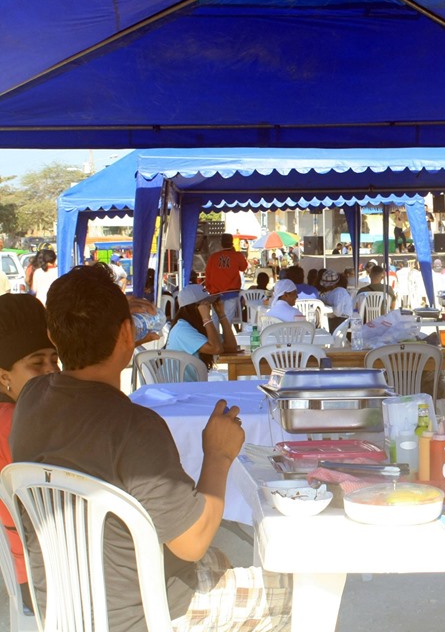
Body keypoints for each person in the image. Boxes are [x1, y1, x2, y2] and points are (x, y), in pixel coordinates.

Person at [11, 265, 290, 630]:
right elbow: (192, 543)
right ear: (128, 334)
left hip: (59, 606)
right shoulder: (134, 427)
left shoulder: (31, 398)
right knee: (295, 589)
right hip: (142, 614)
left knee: (219, 560)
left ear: (52, 336)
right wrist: (218, 455)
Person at [0, 294, 59, 606]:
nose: (51, 370)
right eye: (37, 363)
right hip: (51, 577)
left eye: (55, 360)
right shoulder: (17, 423)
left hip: (27, 573)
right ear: (4, 377)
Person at [166, 284, 237, 379]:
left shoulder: (197, 327)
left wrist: (222, 315)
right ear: (195, 307)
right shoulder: (182, 329)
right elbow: (216, 349)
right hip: (179, 386)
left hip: (191, 384)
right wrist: (206, 318)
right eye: (207, 305)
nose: (210, 308)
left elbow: (231, 347)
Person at [204, 233, 248, 325]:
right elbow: (243, 267)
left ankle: (216, 335)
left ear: (221, 243)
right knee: (228, 319)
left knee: (215, 318)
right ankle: (227, 334)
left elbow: (207, 274)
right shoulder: (237, 255)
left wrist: (209, 289)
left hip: (215, 292)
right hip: (231, 292)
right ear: (232, 243)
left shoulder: (213, 257)